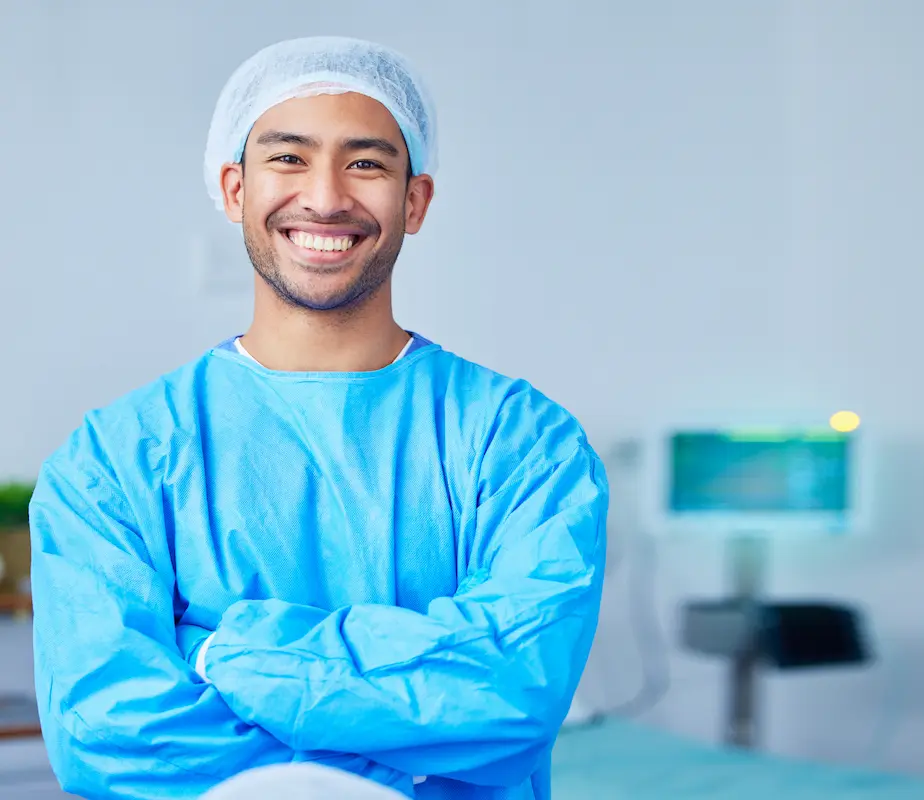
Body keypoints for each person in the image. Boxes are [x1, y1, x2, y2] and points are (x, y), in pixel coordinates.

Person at [28, 36, 607, 800]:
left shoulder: (525, 444)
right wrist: (404, 748)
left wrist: (220, 651)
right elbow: (106, 737)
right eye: (289, 158)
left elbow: (510, 695)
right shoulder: (113, 461)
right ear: (235, 190)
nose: (327, 197)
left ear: (415, 200)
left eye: (366, 162)